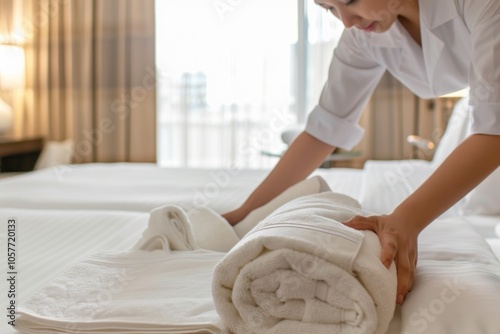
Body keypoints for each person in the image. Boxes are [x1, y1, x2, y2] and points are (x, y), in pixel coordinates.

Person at [223, 0, 500, 305]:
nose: (346, 21)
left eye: (351, 0)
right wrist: (246, 212)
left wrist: (407, 219)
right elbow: (324, 128)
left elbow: (493, 130)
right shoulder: (362, 35)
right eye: (328, 8)